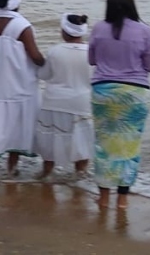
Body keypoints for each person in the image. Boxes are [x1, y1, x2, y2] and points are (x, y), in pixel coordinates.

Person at [88, 0, 150, 209]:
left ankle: (104, 195)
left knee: (103, 145)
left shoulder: (99, 28)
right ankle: (123, 198)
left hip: (103, 91)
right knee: (130, 146)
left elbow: (91, 60)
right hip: (135, 92)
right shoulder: (145, 31)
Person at [0, 0, 45, 176]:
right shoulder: (22, 26)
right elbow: (34, 55)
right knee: (17, 127)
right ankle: (11, 168)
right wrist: (46, 65)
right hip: (17, 85)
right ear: (17, 4)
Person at [33, 14, 94, 179]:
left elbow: (44, 75)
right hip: (81, 103)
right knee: (81, 141)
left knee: (50, 142)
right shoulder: (91, 52)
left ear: (64, 32)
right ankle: (80, 175)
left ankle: (46, 174)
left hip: (54, 102)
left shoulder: (55, 51)